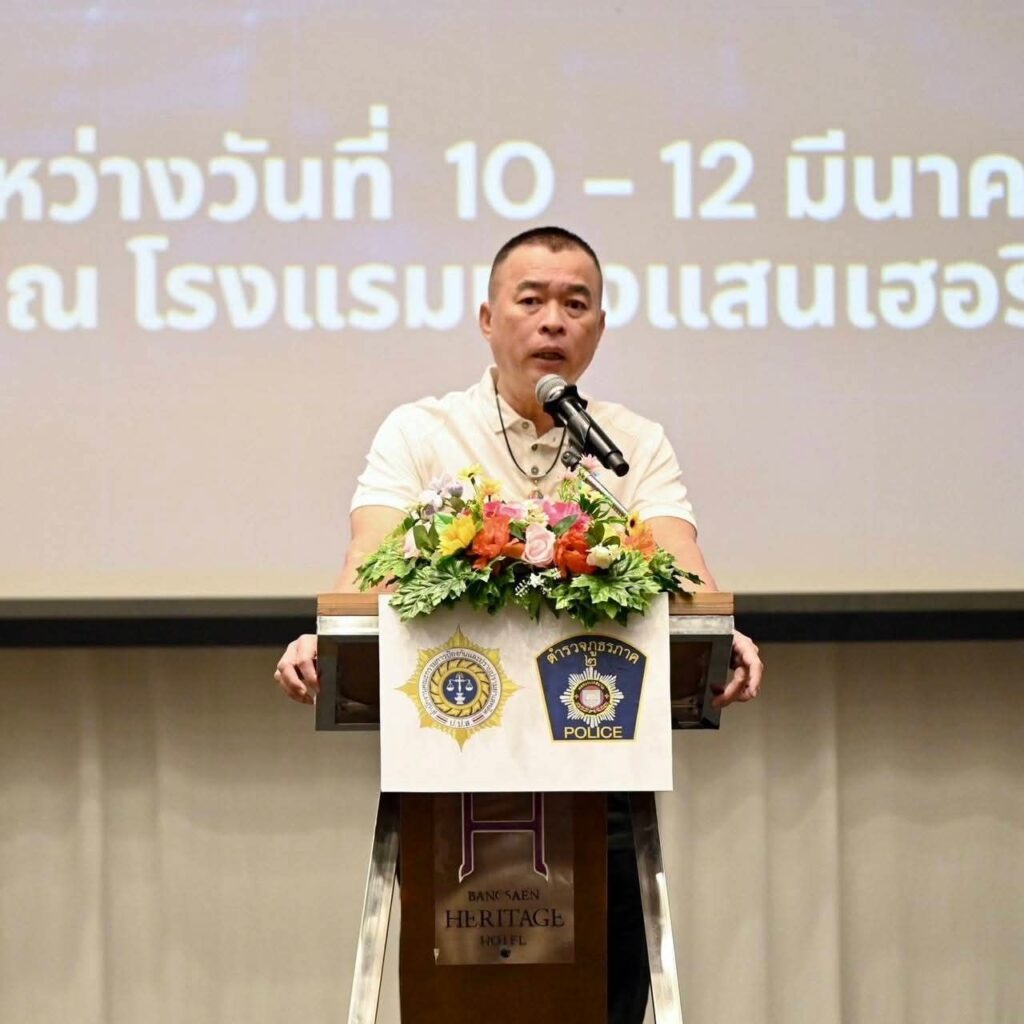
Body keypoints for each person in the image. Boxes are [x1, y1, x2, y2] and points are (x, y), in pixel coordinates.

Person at [275, 226, 763, 1022]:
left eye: (576, 304)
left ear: (598, 328)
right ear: (487, 318)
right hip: (451, 773)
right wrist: (325, 635)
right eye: (531, 300)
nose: (553, 321)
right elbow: (371, 560)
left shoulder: (632, 445)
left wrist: (718, 628)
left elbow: (681, 563)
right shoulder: (422, 433)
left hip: (598, 774)